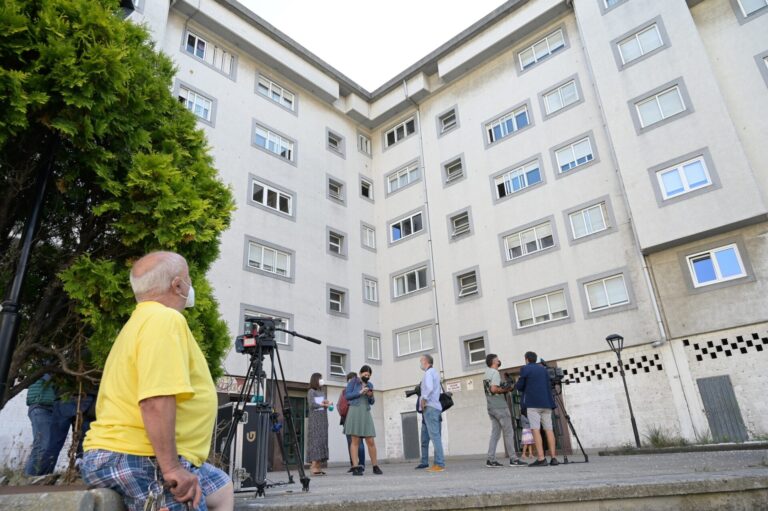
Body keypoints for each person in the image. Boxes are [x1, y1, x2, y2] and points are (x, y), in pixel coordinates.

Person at [80, 251, 233, 511]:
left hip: (125, 453)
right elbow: (155, 400)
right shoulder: (165, 319)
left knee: (221, 487)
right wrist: (172, 467)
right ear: (177, 285)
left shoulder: (139, 322)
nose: (190, 286)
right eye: (188, 280)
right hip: (140, 457)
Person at [514, 351, 558, 467]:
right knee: (549, 429)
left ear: (526, 359)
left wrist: (519, 380)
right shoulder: (543, 370)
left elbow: (520, 386)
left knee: (535, 430)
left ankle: (541, 458)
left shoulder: (525, 369)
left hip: (533, 404)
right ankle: (553, 458)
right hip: (547, 403)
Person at [40, 388, 96, 474]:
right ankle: (80, 474)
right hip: (87, 396)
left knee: (54, 443)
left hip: (64, 396)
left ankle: (42, 475)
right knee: (83, 442)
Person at [483, 354, 526, 468]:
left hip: (491, 407)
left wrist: (504, 386)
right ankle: (514, 459)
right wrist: (505, 390)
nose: (499, 361)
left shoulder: (486, 373)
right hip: (500, 407)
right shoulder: (495, 372)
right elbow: (493, 389)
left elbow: (491, 387)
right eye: (497, 360)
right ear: (493, 362)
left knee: (495, 434)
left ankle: (490, 459)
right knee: (508, 432)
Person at [344, 365, 382, 476]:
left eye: (369, 375)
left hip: (365, 411)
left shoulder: (370, 385)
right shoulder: (353, 382)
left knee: (370, 440)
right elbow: (347, 396)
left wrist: (370, 395)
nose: (367, 376)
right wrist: (360, 392)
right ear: (360, 373)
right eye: (365, 374)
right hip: (355, 411)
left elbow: (372, 402)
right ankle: (355, 467)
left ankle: (375, 466)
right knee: (355, 440)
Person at [417, 354, 445, 473]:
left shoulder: (428, 373)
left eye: (421, 361)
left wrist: (423, 399)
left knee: (435, 437)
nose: (420, 363)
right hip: (436, 407)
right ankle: (438, 463)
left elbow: (428, 388)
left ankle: (439, 464)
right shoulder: (435, 372)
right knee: (436, 436)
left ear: (425, 361)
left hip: (431, 408)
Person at [24, 376, 56, 476]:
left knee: (50, 446)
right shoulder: (43, 363)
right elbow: (50, 377)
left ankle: (42, 477)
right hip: (41, 405)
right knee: (43, 444)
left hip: (54, 407)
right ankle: (31, 477)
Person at [338, 372, 365, 472]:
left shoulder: (360, 390)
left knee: (359, 442)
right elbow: (339, 404)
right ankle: (354, 465)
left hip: (357, 418)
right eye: (349, 380)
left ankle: (361, 464)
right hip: (346, 419)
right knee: (350, 443)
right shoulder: (344, 391)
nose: (350, 381)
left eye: (352, 379)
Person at [307, 373, 330, 476]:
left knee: (322, 441)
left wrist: (327, 404)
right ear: (316, 380)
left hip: (323, 419)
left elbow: (324, 404)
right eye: (320, 378)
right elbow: (312, 404)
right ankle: (313, 466)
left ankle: (319, 466)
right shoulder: (311, 391)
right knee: (315, 441)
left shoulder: (322, 392)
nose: (321, 380)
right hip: (315, 420)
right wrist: (322, 404)